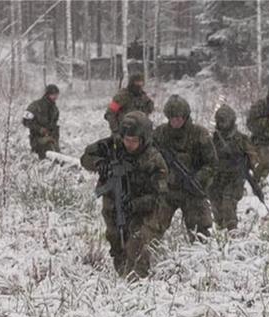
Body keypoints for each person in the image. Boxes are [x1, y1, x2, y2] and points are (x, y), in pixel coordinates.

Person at [81, 111, 168, 278]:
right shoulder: (112, 145)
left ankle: (137, 281)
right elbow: (85, 157)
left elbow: (159, 197)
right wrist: (99, 164)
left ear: (144, 139)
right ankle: (122, 274)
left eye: (134, 141)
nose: (129, 144)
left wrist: (135, 204)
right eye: (126, 139)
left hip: (143, 210)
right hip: (113, 203)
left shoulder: (153, 160)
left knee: (137, 243)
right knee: (116, 240)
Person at [152, 95, 217, 239]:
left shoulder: (199, 134)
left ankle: (201, 257)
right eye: (173, 118)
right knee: (152, 226)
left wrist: (198, 178)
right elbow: (149, 158)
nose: (176, 121)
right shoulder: (159, 134)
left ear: (186, 116)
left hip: (192, 190)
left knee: (201, 233)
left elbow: (211, 164)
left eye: (180, 117)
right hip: (167, 190)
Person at [209, 104, 256, 230]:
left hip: (234, 178)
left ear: (232, 120)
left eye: (224, 120)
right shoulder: (212, 139)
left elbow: (253, 158)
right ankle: (221, 233)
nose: (222, 123)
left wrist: (246, 163)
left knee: (228, 204)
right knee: (216, 206)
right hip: (217, 178)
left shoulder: (241, 139)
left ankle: (232, 232)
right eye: (219, 120)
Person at [22, 84, 60, 159]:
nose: (55, 97)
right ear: (47, 94)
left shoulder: (55, 110)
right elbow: (25, 121)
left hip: (51, 139)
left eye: (57, 94)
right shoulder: (35, 106)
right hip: (37, 139)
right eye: (53, 94)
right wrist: (40, 129)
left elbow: (54, 125)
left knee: (56, 156)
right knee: (47, 156)